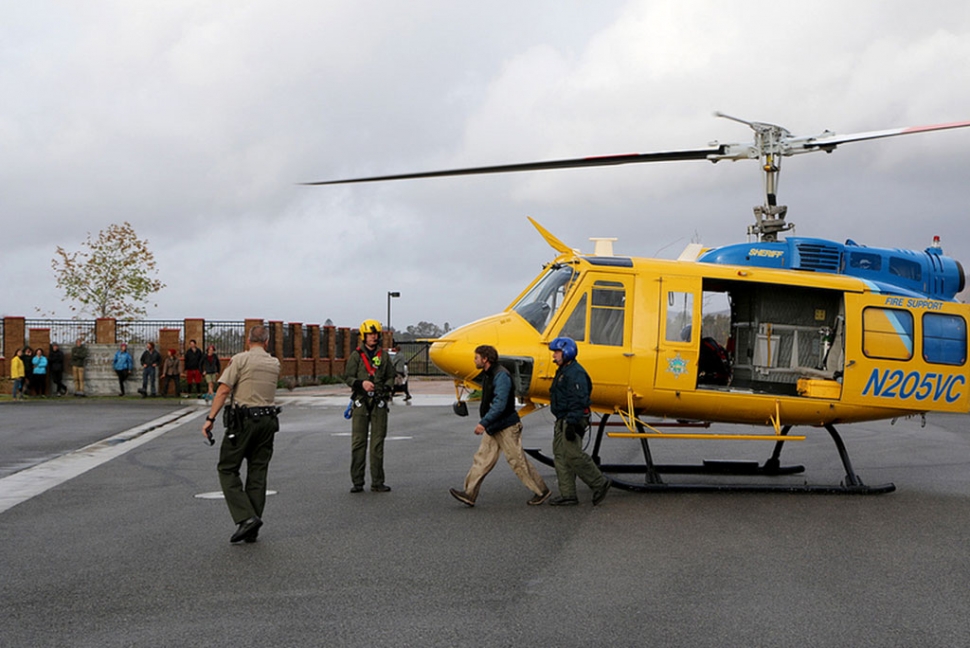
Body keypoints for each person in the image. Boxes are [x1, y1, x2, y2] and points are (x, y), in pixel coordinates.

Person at [202, 325, 281, 544]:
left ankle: (246, 518)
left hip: (244, 421)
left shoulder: (240, 360)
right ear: (266, 342)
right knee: (258, 471)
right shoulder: (274, 363)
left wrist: (210, 419)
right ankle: (253, 526)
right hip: (268, 421)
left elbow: (224, 389)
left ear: (248, 341)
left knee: (227, 467)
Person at [449, 345, 550, 507]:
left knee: (517, 461)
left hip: (507, 426)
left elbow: (500, 404)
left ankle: (542, 491)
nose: (474, 360)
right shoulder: (490, 374)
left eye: (476, 357)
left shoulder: (501, 375)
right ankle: (469, 493)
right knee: (482, 459)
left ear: (485, 359)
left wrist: (484, 423)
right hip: (495, 425)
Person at [547, 336, 611, 506]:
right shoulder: (564, 370)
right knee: (560, 456)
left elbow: (579, 399)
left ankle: (600, 483)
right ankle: (568, 494)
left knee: (573, 454)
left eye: (557, 352)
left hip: (572, 419)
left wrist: (572, 423)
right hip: (563, 418)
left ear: (567, 352)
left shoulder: (575, 373)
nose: (554, 356)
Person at [343, 319, 395, 493]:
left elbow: (390, 376)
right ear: (363, 337)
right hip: (361, 402)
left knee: (377, 442)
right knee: (358, 442)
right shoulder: (356, 356)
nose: (373, 337)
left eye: (376, 334)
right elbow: (348, 377)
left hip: (379, 402)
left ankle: (377, 482)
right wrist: (361, 384)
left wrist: (386, 388)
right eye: (370, 334)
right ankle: (357, 482)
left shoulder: (384, 356)